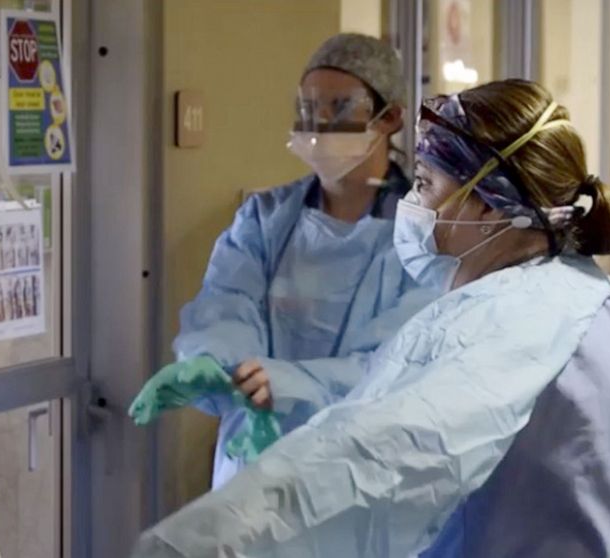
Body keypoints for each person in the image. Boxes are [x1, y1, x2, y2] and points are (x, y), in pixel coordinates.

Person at [131, 79, 610, 557]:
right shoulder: (585, 295)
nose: (411, 202)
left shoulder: (506, 325)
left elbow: (374, 457)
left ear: (491, 207)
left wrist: (194, 543)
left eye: (425, 184)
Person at [162, 33, 437, 488]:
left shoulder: (421, 234)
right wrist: (215, 365)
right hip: (253, 460)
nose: (320, 123)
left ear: (391, 117)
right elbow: (226, 305)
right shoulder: (265, 220)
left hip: (358, 474)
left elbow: (398, 363)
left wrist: (289, 383)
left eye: (340, 107)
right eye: (308, 108)